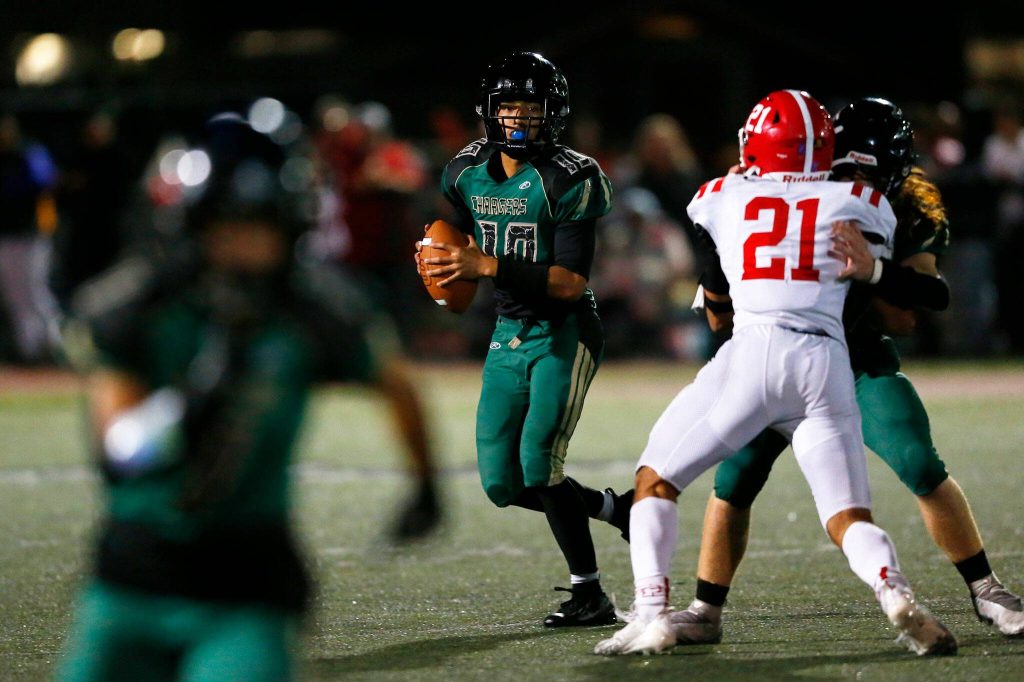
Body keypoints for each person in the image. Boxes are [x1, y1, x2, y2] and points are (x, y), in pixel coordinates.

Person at [55, 112, 439, 681]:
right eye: (226, 226)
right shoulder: (142, 305)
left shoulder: (312, 311)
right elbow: (118, 452)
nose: (243, 246)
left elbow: (396, 383)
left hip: (246, 583)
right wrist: (186, 410)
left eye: (259, 227)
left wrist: (425, 483)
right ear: (192, 223)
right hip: (131, 580)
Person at [594, 90, 956, 657]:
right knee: (847, 516)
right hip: (826, 365)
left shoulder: (719, 193)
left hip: (754, 353)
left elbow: (713, 271)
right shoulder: (864, 201)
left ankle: (652, 612)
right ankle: (894, 592)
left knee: (655, 481)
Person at [667, 97, 1024, 645]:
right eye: (847, 169)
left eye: (868, 171)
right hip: (774, 354)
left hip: (855, 355)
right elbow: (720, 256)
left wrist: (874, 270)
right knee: (734, 481)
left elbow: (923, 299)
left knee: (917, 461)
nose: (856, 181)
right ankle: (704, 608)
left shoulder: (908, 207)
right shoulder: (793, 187)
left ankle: (986, 589)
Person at [418, 50, 630, 627]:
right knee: (501, 483)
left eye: (531, 108)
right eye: (509, 106)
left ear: (552, 114)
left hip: (565, 330)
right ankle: (615, 509)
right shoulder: (463, 170)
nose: (518, 119)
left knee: (540, 465)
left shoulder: (571, 175)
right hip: (509, 329)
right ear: (489, 112)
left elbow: (567, 282)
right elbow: (462, 232)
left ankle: (591, 593)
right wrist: (439, 255)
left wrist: (483, 266)